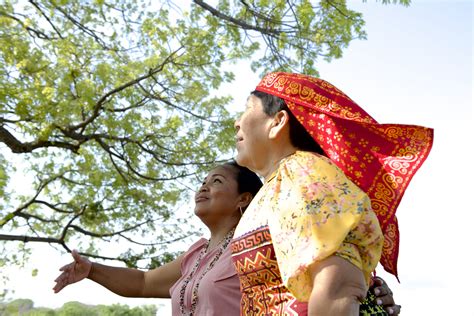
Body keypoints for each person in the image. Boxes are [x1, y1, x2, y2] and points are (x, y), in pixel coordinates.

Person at [53, 161, 401, 315]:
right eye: (203, 181)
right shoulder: (197, 254)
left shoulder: (266, 241)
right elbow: (143, 283)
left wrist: (369, 291)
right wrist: (92, 270)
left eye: (217, 181)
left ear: (243, 200)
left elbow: (324, 270)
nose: (204, 186)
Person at [232, 72, 433, 315]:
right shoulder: (278, 184)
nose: (237, 123)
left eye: (247, 108)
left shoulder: (303, 173)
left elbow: (338, 286)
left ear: (277, 122)